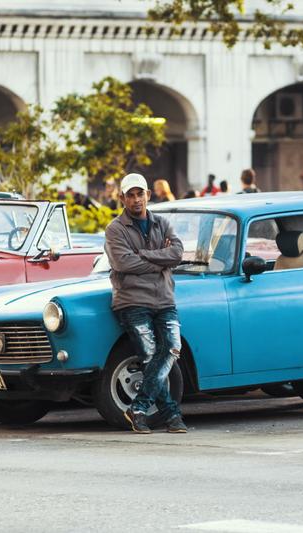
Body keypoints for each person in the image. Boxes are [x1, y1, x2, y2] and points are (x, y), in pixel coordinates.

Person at [104, 173, 187, 434]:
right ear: (122, 199)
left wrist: (143, 256)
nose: (136, 199)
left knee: (173, 347)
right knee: (150, 356)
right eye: (130, 195)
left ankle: (138, 408)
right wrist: (160, 260)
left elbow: (177, 253)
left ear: (148, 196)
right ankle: (172, 416)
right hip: (132, 300)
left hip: (164, 298)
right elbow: (122, 263)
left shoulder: (162, 223)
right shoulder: (115, 229)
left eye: (140, 194)